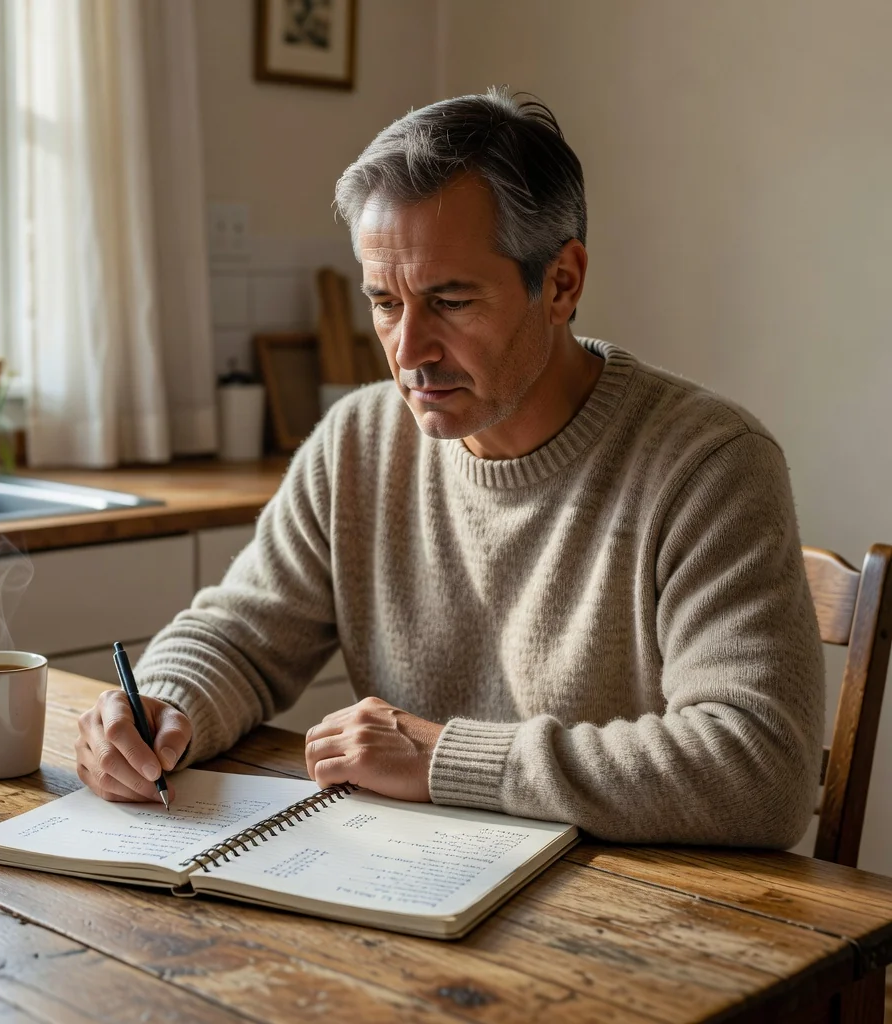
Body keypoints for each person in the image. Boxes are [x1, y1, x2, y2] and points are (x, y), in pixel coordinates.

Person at [75, 88, 824, 847]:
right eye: (385, 303)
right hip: (410, 891)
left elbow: (760, 767)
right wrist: (163, 706)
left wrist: (448, 760)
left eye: (450, 301)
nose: (408, 354)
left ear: (562, 283)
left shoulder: (710, 464)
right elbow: (239, 634)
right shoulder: (359, 440)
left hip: (637, 922)